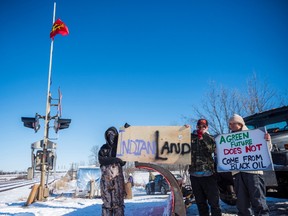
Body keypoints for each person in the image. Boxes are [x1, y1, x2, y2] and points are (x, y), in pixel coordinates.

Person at [228, 114, 271, 216]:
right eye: (230, 124)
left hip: (253, 172)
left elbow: (267, 150)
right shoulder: (228, 139)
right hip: (238, 174)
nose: (232, 125)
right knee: (242, 204)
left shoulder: (254, 134)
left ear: (240, 123)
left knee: (258, 201)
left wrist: (267, 141)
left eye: (234, 123)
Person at [189, 119, 222, 216]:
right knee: (200, 203)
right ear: (196, 126)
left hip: (209, 175)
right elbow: (178, 142)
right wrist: (184, 130)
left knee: (214, 203)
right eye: (199, 126)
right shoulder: (190, 137)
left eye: (204, 126)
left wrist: (203, 137)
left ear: (207, 127)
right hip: (194, 175)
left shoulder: (211, 138)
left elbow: (212, 150)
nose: (201, 128)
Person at [98, 126, 126, 216]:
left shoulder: (120, 148)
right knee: (107, 204)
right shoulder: (104, 148)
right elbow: (101, 160)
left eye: (113, 134)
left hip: (118, 181)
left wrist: (127, 131)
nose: (111, 136)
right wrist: (115, 160)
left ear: (116, 135)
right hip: (106, 182)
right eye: (109, 134)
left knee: (118, 205)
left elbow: (123, 161)